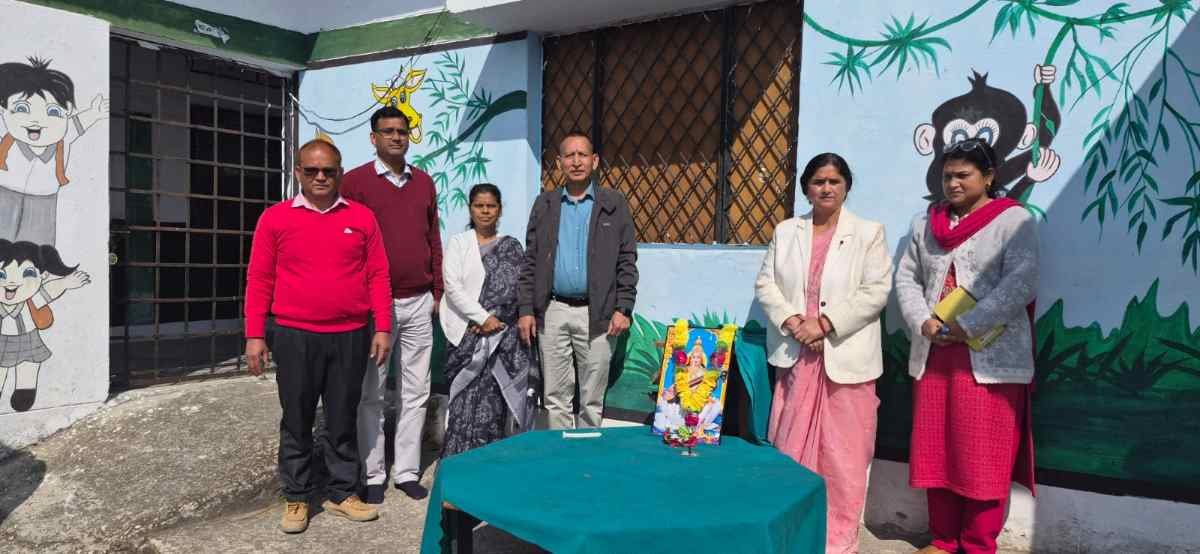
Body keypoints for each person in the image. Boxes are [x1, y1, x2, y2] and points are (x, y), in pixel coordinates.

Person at [894, 138, 1038, 554]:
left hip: (988, 357)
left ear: (988, 176)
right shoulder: (926, 224)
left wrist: (968, 324)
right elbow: (907, 278)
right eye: (947, 176)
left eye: (963, 175)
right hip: (935, 351)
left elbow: (1022, 281)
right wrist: (922, 321)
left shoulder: (1014, 221)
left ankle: (977, 543)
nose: (953, 183)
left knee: (983, 454)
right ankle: (942, 540)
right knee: (937, 449)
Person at [243, 139, 391, 534]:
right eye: (311, 170)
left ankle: (342, 493)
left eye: (328, 170)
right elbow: (260, 277)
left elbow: (378, 275)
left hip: (350, 335)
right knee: (297, 419)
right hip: (295, 336)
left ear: (339, 172)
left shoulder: (361, 218)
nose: (320, 177)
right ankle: (297, 497)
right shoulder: (275, 219)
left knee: (342, 417)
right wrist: (255, 334)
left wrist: (382, 326)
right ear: (298, 173)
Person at [754, 153, 893, 554]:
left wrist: (826, 324)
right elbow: (766, 285)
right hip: (797, 354)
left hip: (845, 356)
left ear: (847, 186)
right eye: (818, 181)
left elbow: (876, 291)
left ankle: (838, 540)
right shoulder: (786, 231)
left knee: (844, 457)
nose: (826, 188)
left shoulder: (868, 233)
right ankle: (794, 533)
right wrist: (796, 322)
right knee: (790, 450)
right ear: (806, 188)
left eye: (834, 181)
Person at [341, 106, 443, 502]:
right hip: (376, 306)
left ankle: (407, 471)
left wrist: (437, 290)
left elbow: (433, 236)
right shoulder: (355, 183)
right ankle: (372, 475)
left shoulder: (424, 182)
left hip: (419, 300)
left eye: (402, 131)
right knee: (372, 394)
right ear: (374, 138)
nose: (397, 137)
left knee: (416, 391)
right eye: (388, 131)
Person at [517, 131, 638, 429]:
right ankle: (562, 453)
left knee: (591, 398)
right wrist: (526, 309)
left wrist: (623, 307)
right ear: (559, 163)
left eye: (582, 155)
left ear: (594, 161)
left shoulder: (613, 203)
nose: (576, 161)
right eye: (569, 156)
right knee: (554, 397)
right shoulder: (545, 204)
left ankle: (587, 453)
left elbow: (627, 259)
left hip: (598, 313)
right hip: (553, 310)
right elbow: (531, 260)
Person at [440, 183, 536, 456]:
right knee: (462, 403)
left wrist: (494, 322)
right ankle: (457, 462)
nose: (485, 211)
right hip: (467, 335)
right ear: (470, 209)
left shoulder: (511, 247)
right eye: (479, 206)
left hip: (500, 339)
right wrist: (481, 318)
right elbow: (452, 286)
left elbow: (518, 290)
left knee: (493, 405)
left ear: (500, 210)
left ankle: (488, 463)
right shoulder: (459, 243)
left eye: (491, 206)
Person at [0, 240, 90, 412]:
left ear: (43, 276)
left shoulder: (31, 301)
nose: (11, 282)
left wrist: (65, 282)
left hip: (29, 341)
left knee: (29, 365)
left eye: (26, 273)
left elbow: (49, 291)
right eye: (2, 275)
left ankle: (24, 391)